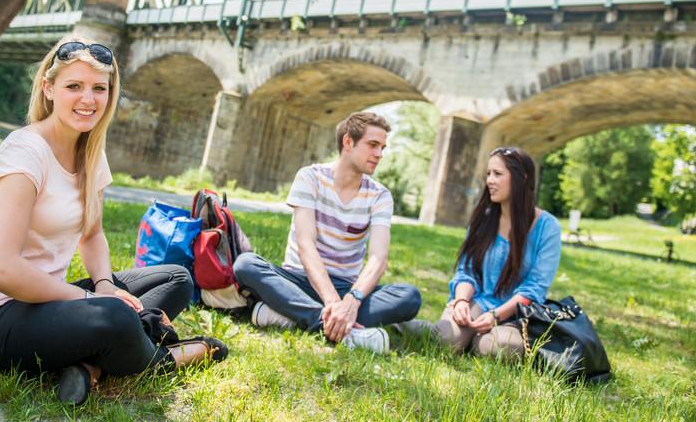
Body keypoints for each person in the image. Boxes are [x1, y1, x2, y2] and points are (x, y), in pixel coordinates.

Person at [0, 37, 226, 406]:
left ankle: (86, 363)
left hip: (43, 300)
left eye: (99, 88)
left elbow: (92, 234)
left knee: (175, 278)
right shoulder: (24, 155)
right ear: (48, 88)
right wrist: (90, 298)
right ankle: (164, 360)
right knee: (114, 317)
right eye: (74, 87)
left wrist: (106, 285)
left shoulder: (90, 151)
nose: (88, 99)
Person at [233, 112, 421, 354]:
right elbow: (305, 245)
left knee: (409, 297)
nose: (380, 154)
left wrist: (351, 301)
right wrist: (333, 304)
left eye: (383, 147)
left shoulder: (380, 196)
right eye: (373, 145)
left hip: (346, 287)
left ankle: (288, 316)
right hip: (298, 280)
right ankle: (342, 330)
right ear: (348, 142)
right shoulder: (310, 177)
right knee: (246, 264)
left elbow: (378, 258)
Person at [435, 146, 561, 360]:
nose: (490, 180)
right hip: (478, 301)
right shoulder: (482, 218)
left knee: (498, 347)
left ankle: (476, 341)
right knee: (446, 340)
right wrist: (461, 301)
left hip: (515, 314)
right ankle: (400, 328)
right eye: (488, 174)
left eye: (498, 174)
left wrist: (495, 316)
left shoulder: (547, 226)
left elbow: (535, 288)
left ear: (522, 178)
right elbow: (466, 271)